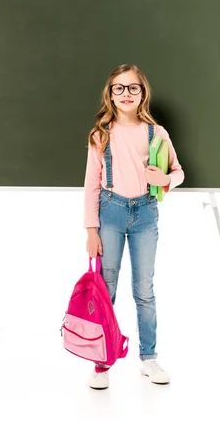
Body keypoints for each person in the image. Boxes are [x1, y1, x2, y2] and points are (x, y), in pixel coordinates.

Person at [83, 63, 185, 390]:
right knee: (106, 288)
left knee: (144, 289)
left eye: (133, 88)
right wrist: (90, 230)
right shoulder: (101, 134)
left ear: (143, 93)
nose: (126, 94)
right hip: (110, 212)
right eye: (119, 88)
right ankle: (102, 361)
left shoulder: (157, 133)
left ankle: (148, 357)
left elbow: (178, 172)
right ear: (110, 94)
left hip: (145, 214)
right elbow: (91, 186)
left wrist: (166, 179)